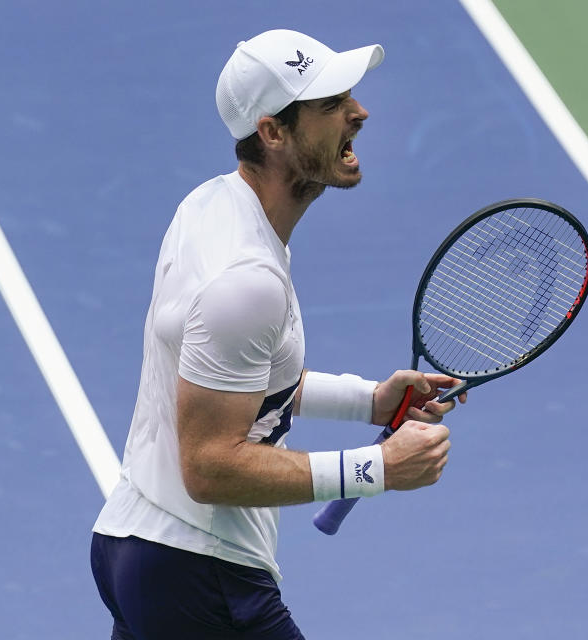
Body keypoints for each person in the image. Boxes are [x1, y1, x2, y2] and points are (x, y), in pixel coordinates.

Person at [90, 29, 467, 639]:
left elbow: (236, 381)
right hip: (201, 573)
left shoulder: (212, 208)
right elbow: (209, 467)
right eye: (329, 105)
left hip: (136, 548)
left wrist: (368, 400)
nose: (359, 112)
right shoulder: (247, 283)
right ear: (273, 132)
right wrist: (375, 469)